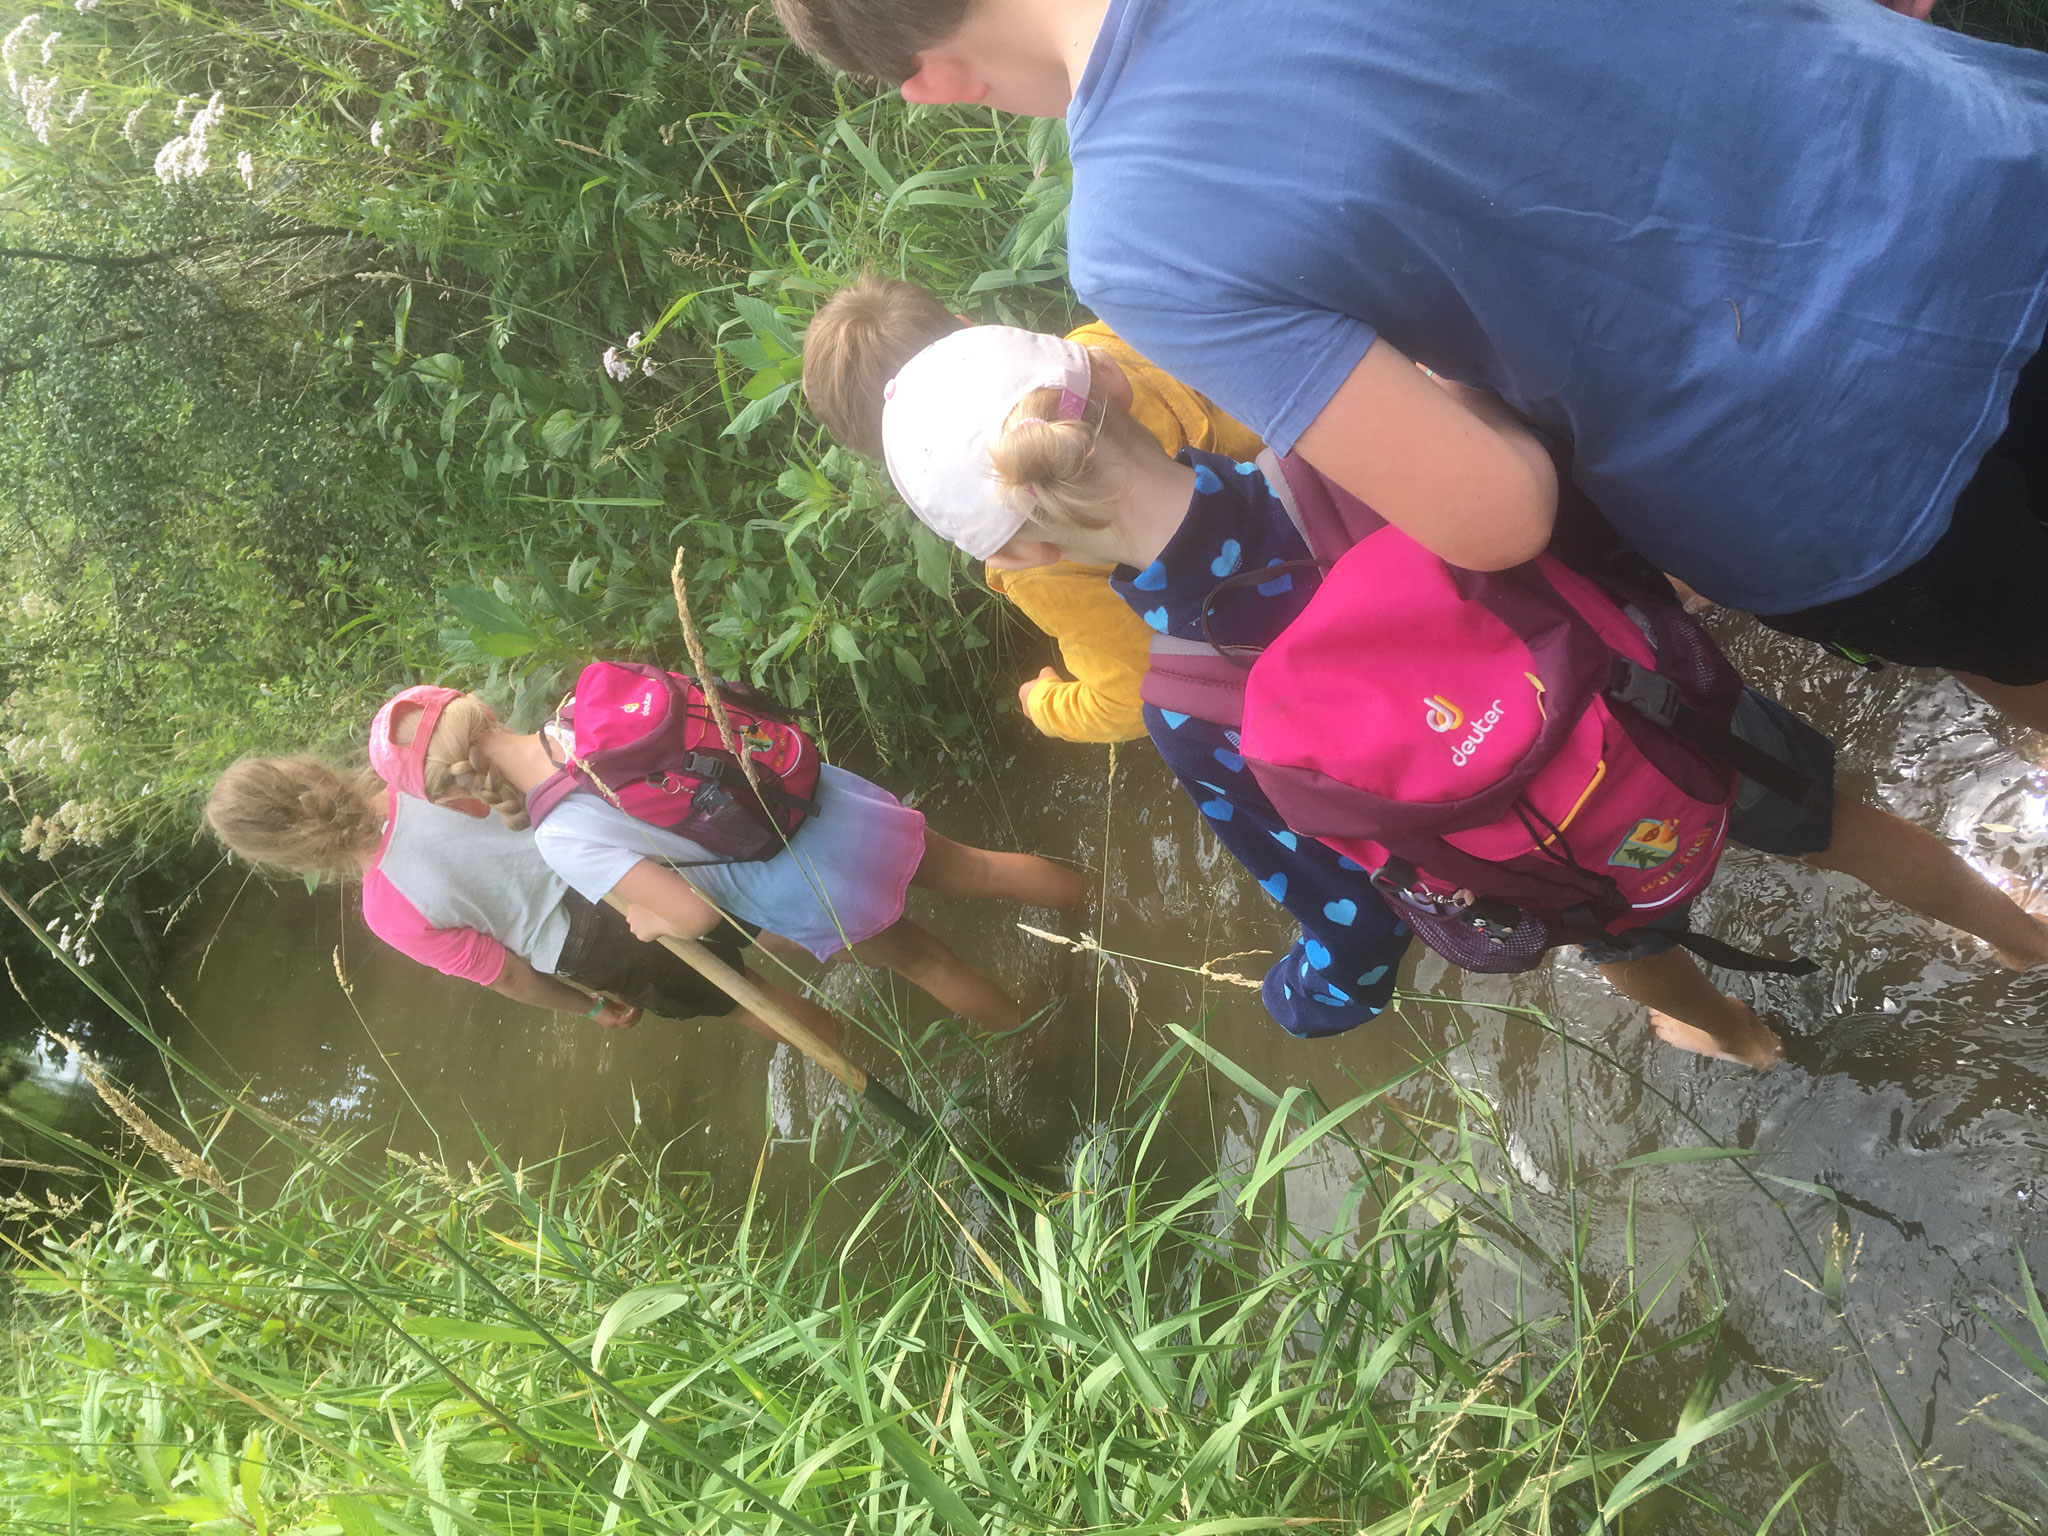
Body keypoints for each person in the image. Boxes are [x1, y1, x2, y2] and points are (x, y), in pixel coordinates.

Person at [774, 0, 2048, 733]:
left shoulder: (1137, 233)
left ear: (929, 82)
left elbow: (1496, 514)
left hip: (1849, 467)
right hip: (1983, 152)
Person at [875, 325, 2048, 1066]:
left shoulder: (1186, 704)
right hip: (1663, 715)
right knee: (1844, 831)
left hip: (1558, 859)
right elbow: (1567, 516)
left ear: (1021, 562)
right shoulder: (1339, 449)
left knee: (1645, 969)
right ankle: (2017, 936)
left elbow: (1354, 923)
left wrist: (1302, 1001)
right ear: (1121, 390)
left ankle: (1741, 1038)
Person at [372, 683, 1088, 1032]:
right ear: (479, 708)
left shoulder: (559, 836)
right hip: (823, 802)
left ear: (450, 793)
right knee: (984, 869)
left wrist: (649, 926)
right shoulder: (581, 703)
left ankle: (1051, 1043)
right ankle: (1105, 908)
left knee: (934, 965)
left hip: (805, 882)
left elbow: (689, 912)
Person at [801, 273, 1261, 743]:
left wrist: (1045, 703)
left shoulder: (1037, 562)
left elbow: (1133, 698)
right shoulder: (1093, 346)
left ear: (893, 464)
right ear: (969, 327)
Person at [202, 747, 844, 1045]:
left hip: (601, 948)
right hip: (619, 864)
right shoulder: (424, 775)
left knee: (751, 1003)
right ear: (302, 769)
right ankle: (875, 948)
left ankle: (867, 1057)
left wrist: (592, 1010)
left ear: (287, 853)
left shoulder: (387, 911)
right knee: (771, 921)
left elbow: (507, 974)